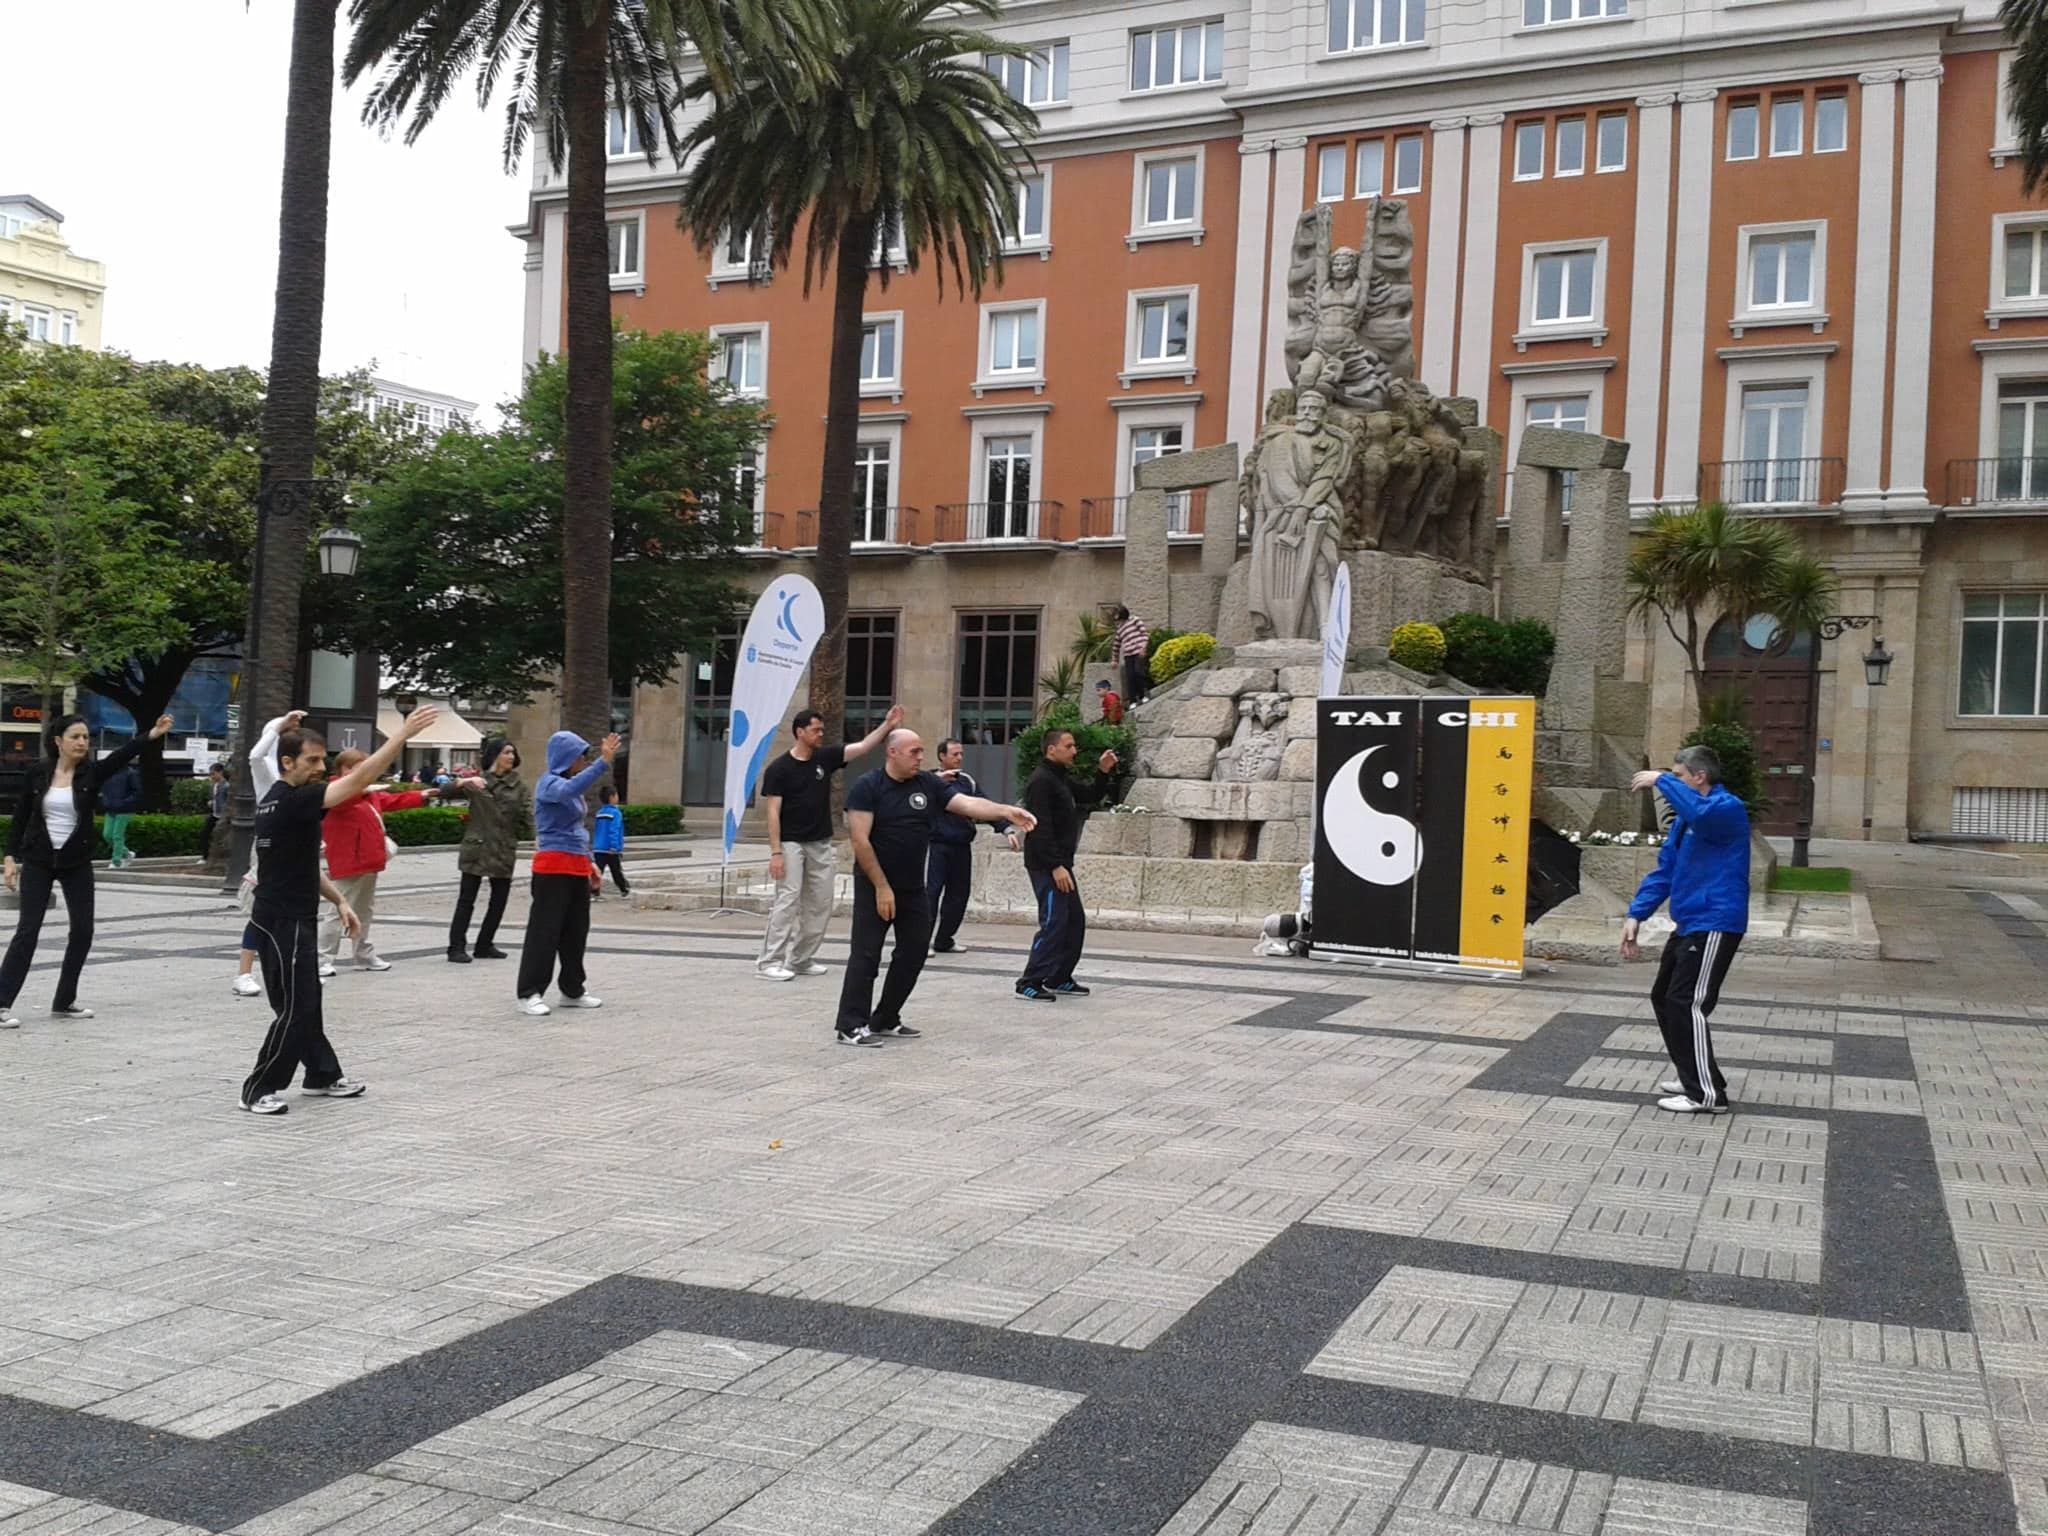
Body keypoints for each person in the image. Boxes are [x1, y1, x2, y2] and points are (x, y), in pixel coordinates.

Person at [239, 705, 440, 1115]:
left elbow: (300, 865)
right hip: (285, 921)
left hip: (282, 916)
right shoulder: (293, 800)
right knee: (297, 1006)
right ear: (287, 762)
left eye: (322, 760)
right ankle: (258, 1088)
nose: (320, 767)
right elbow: (359, 781)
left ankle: (321, 1075)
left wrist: (340, 900)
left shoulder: (278, 800)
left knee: (303, 1002)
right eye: (312, 761)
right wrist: (400, 737)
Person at [835, 729, 1035, 1046]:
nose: (919, 757)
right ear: (893, 752)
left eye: (921, 751)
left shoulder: (927, 785)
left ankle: (886, 1018)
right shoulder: (868, 787)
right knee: (866, 955)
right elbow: (860, 840)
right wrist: (882, 887)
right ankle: (850, 1024)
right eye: (914, 751)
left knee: (914, 951)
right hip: (875, 885)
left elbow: (966, 804)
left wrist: (1005, 811)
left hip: (913, 886)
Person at [0, 712, 173, 1028]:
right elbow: (21, 817)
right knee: (28, 930)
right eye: (75, 737)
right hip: (38, 859)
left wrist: (152, 734)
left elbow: (123, 755)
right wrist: (10, 857)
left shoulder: (91, 773)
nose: (82, 742)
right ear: (58, 742)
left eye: (85, 737)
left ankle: (64, 1001)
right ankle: (1, 1002)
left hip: (75, 861)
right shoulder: (37, 774)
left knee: (83, 931)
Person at [1621, 745, 1752, 1116]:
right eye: (1672, 776)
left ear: (1700, 777)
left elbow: (1700, 813)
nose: (1673, 782)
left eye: (1679, 776)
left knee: (1686, 1002)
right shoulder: (1687, 821)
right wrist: (1636, 915)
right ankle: (1693, 1074)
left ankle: (1705, 1095)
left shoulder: (1727, 809)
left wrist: (1660, 779)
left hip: (1715, 921)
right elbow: (1665, 871)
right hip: (1691, 921)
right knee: (1664, 997)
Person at [755, 704, 904, 982]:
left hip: (820, 842)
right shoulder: (779, 769)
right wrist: (775, 852)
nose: (821, 733)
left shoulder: (825, 757)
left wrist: (888, 725)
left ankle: (800, 959)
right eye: (815, 729)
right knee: (788, 899)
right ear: (800, 732)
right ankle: (769, 962)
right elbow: (773, 812)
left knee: (821, 902)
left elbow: (861, 748)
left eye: (822, 729)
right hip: (790, 843)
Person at [515, 729, 621, 1017]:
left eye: (587, 756)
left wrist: (590, 862)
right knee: (544, 932)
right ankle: (529, 992)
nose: (584, 761)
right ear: (566, 758)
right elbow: (569, 790)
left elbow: (577, 830)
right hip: (552, 866)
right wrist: (603, 762)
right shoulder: (549, 784)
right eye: (581, 756)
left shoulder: (568, 788)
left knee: (575, 932)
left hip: (575, 865)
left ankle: (572, 989)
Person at [1016, 728, 1120, 1003]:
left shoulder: (1058, 777)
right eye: (1069, 745)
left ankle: (1059, 976)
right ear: (1052, 749)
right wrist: (1055, 866)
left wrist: (1102, 771)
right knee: (1053, 921)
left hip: (1061, 863)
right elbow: (1040, 828)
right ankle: (1030, 981)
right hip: (1046, 865)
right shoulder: (1041, 781)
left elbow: (1089, 795)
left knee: (1073, 921)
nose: (1075, 751)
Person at [316, 750, 433, 976]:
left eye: (364, 766)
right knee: (337, 910)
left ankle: (362, 954)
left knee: (363, 911)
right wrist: (364, 787)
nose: (362, 771)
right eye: (355, 767)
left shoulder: (366, 793)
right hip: (349, 859)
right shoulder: (337, 791)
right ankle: (322, 957)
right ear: (343, 770)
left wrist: (424, 794)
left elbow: (391, 800)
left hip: (368, 859)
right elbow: (341, 801)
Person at [232, 710, 304, 998]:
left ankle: (295, 970)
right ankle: (244, 973)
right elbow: (254, 755)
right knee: (261, 911)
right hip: (269, 847)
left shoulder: (302, 779)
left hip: (294, 847)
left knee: (292, 911)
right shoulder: (268, 775)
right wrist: (279, 725)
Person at [924, 736, 1016, 956]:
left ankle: (944, 939)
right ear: (942, 756)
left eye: (961, 754)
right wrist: (938, 780)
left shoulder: (967, 781)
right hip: (935, 846)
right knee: (930, 894)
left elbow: (984, 805)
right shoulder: (927, 780)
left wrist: (1006, 828)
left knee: (958, 895)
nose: (959, 758)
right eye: (954, 754)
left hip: (961, 846)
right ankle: (921, 941)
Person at [444, 736, 529, 963]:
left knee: (499, 900)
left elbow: (527, 817)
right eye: (506, 752)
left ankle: (485, 944)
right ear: (494, 756)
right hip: (478, 847)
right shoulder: (477, 782)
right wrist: (464, 782)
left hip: (503, 848)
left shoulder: (519, 787)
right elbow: (444, 791)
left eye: (513, 753)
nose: (510, 757)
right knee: (466, 899)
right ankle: (456, 947)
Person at [101, 757, 143, 869]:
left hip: (125, 810)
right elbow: (104, 789)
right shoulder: (108, 774)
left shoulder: (130, 773)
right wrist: (105, 801)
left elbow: (137, 791)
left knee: (117, 835)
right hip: (111, 808)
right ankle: (127, 854)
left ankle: (116, 861)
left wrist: (125, 802)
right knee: (107, 835)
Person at [592, 785, 629, 897]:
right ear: (612, 797)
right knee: (616, 871)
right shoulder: (616, 813)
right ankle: (624, 889)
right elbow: (614, 830)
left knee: (598, 871)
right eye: (616, 795)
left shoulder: (599, 813)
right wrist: (615, 846)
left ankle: (594, 892)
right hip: (610, 849)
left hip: (598, 847)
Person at [1113, 605, 1149, 707]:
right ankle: (1132, 701)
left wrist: (1143, 648)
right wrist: (1114, 659)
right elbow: (1116, 645)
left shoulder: (1135, 620)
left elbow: (1145, 634)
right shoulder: (1119, 629)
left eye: (1117, 614)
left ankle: (1143, 695)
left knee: (1138, 673)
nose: (1116, 617)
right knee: (1130, 677)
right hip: (1128, 654)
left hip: (1138, 651)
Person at [201, 763, 230, 857]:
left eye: (213, 774)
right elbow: (213, 798)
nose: (212, 776)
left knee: (220, 837)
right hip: (214, 814)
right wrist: (212, 802)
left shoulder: (226, 786)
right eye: (210, 774)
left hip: (223, 816)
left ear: (220, 772)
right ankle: (205, 856)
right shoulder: (213, 786)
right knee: (205, 833)